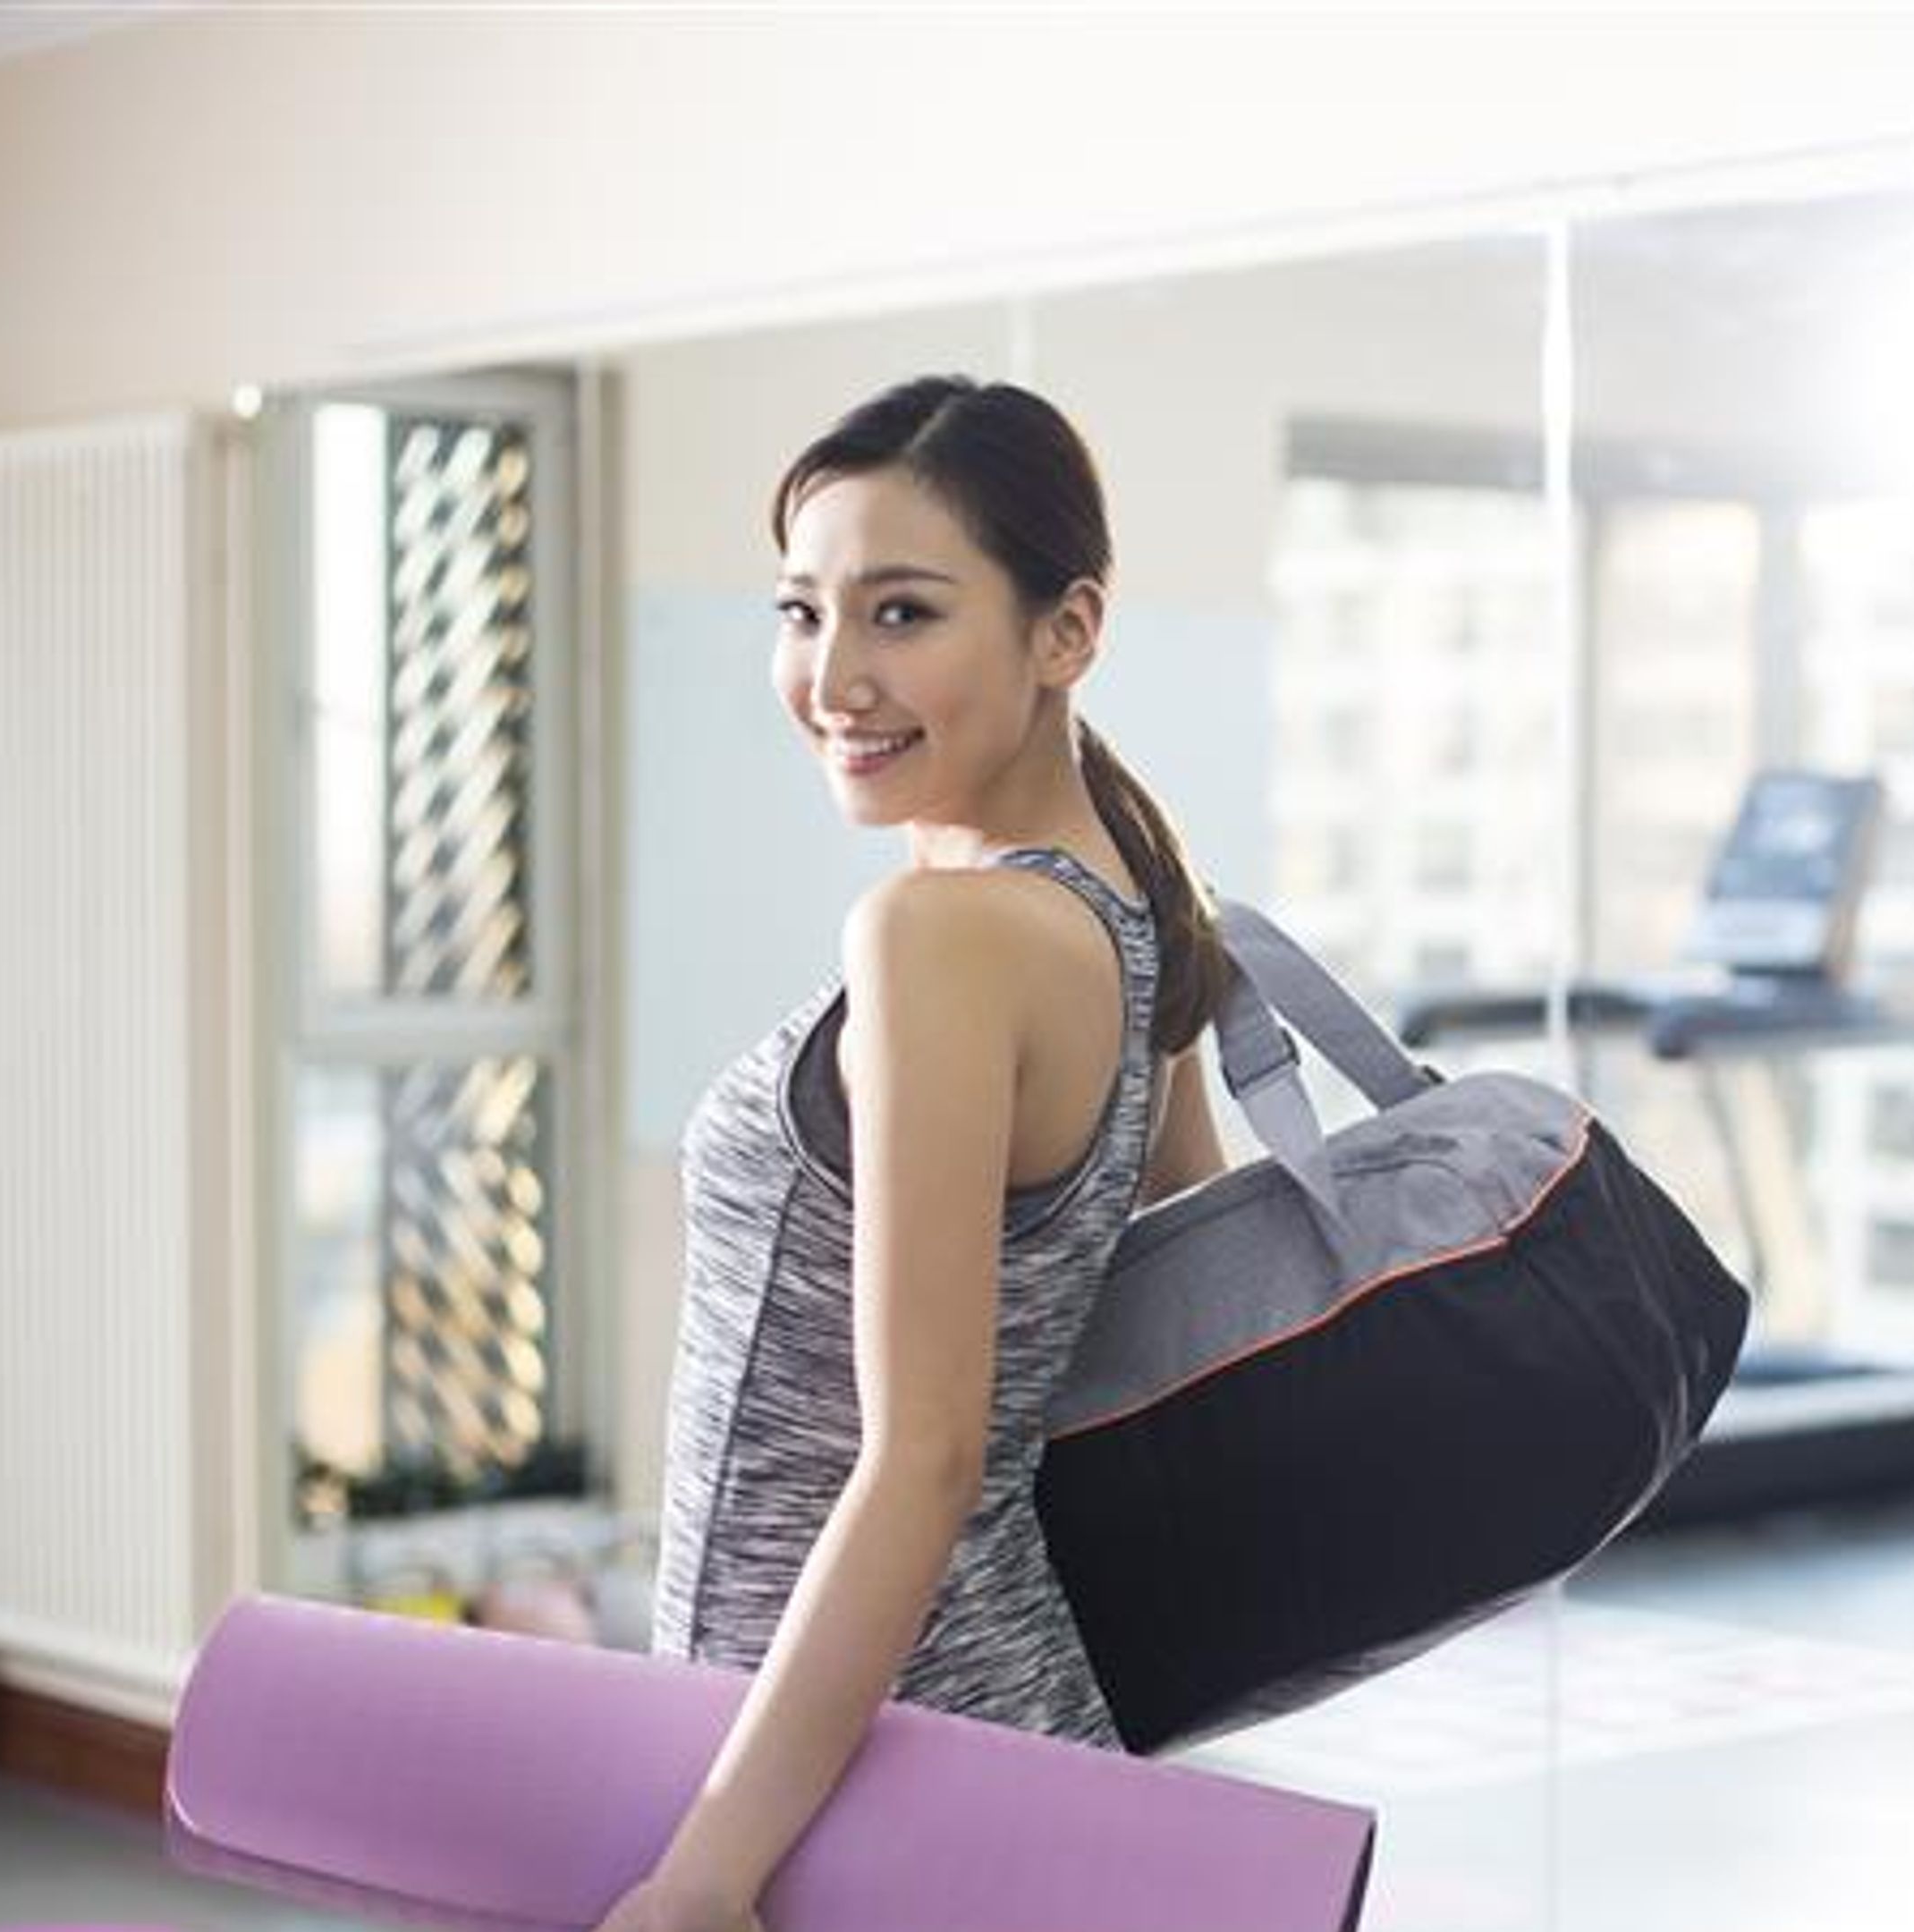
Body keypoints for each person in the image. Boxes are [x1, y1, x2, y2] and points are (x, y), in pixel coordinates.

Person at [595, 376, 1236, 1932]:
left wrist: (704, 1874)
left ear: (1065, 631)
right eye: (803, 611)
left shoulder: (943, 936)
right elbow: (1180, 1268)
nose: (834, 677)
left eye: (902, 614)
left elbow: (929, 1451)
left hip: (872, 1775)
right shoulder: (1131, 911)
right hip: (962, 1736)